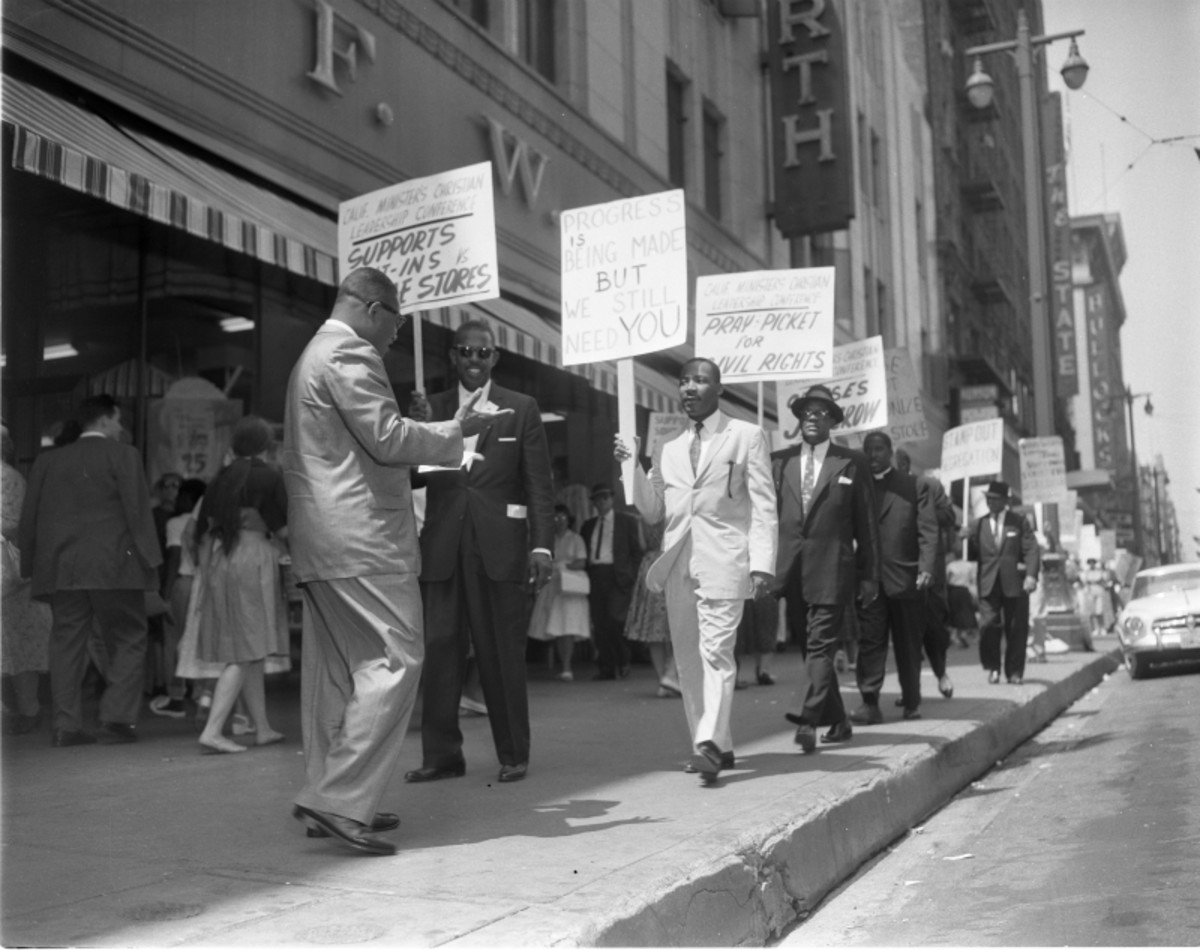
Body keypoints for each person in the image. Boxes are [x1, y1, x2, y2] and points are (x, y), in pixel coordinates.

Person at [283, 267, 509, 855]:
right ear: (373, 309)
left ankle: (332, 796)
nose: (395, 339)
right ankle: (337, 800)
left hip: (325, 541)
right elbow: (386, 437)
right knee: (397, 658)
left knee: (340, 675)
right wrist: (458, 430)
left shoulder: (315, 353)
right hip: (363, 539)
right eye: (398, 324)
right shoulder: (349, 354)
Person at [405, 318, 555, 787]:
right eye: (465, 351)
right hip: (443, 548)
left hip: (500, 549)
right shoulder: (431, 407)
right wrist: (419, 430)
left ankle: (513, 753)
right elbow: (413, 478)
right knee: (441, 651)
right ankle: (442, 756)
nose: (474, 359)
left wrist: (542, 544)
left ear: (495, 358)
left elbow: (538, 483)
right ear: (453, 356)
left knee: (500, 653)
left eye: (482, 352)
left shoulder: (521, 408)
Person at [614, 357, 777, 785]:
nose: (689, 388)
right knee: (688, 661)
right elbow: (653, 511)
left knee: (716, 652)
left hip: (724, 560)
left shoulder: (745, 436)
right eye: (684, 381)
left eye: (700, 380)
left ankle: (707, 742)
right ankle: (715, 747)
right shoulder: (667, 449)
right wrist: (629, 465)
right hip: (677, 564)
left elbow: (763, 506)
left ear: (718, 388)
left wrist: (762, 564)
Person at [18, 394, 161, 746]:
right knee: (128, 636)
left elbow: (29, 519)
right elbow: (139, 514)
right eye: (119, 420)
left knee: (66, 641)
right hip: (115, 565)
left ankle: (66, 725)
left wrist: (31, 565)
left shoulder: (47, 461)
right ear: (106, 419)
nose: (121, 427)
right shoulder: (124, 456)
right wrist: (151, 564)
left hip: (63, 568)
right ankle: (116, 718)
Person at [773, 384, 880, 754]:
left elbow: (866, 525)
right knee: (809, 649)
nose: (812, 418)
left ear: (833, 420)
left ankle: (806, 718)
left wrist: (869, 576)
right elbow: (767, 519)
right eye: (806, 412)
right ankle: (839, 720)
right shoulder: (779, 461)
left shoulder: (852, 462)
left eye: (820, 412)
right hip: (791, 571)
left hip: (834, 570)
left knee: (819, 647)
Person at [192, 417, 289, 755]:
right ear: (266, 446)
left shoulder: (219, 479)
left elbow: (203, 532)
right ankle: (213, 729)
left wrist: (206, 579)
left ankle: (261, 727)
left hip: (222, 560)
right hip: (256, 558)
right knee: (246, 651)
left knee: (251, 650)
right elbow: (286, 529)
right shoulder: (269, 476)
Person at [848, 432, 938, 725]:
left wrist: (926, 567)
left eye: (878, 449)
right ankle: (870, 702)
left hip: (906, 578)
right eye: (868, 450)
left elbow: (927, 530)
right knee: (871, 642)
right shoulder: (856, 486)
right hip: (870, 580)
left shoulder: (913, 485)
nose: (872, 455)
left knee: (907, 645)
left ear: (889, 452)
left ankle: (911, 700)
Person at [2, 423, 52, 735]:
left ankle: (26, 710)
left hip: (10, 575)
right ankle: (27, 710)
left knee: (17, 648)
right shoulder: (13, 477)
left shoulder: (8, 478)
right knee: (18, 649)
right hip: (14, 581)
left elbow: (15, 525)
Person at [895, 448, 957, 699]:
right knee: (906, 633)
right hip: (899, 570)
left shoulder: (929, 485)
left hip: (929, 570)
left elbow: (949, 516)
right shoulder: (880, 488)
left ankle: (941, 673)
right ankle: (910, 691)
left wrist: (922, 511)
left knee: (934, 626)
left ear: (906, 466)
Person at [967, 481, 1041, 685]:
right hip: (988, 583)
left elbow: (1031, 549)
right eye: (988, 499)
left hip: (1015, 584)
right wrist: (965, 539)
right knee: (989, 626)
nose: (991, 502)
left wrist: (1031, 575)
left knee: (1016, 629)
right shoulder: (978, 524)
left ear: (1006, 501)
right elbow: (972, 555)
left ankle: (1014, 672)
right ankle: (992, 667)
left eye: (995, 499)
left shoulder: (1018, 521)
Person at [149, 477, 207, 719]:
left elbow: (174, 556)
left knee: (173, 640)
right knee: (199, 640)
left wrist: (165, 592)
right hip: (203, 585)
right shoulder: (205, 522)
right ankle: (201, 694)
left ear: (188, 499)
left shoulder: (175, 523)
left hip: (181, 583)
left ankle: (175, 696)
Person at [581, 482, 643, 680]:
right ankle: (606, 667)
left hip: (618, 576)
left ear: (611, 499)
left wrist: (631, 575)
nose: (601, 502)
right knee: (599, 623)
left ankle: (623, 658)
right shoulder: (588, 525)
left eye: (605, 498)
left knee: (615, 619)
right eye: (597, 499)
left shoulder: (626, 521)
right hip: (596, 574)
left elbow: (636, 551)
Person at [527, 504, 590, 681]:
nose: (559, 521)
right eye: (555, 518)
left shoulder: (576, 538)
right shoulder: (550, 540)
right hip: (553, 586)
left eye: (562, 517)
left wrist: (563, 565)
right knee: (555, 625)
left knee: (568, 626)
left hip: (570, 588)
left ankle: (567, 666)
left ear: (568, 519)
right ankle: (560, 665)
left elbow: (581, 563)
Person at [623, 517, 680, 698]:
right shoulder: (673, 510)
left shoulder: (644, 516)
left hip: (650, 565)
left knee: (653, 630)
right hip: (670, 563)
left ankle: (663, 678)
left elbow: (641, 544)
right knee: (679, 625)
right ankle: (671, 676)